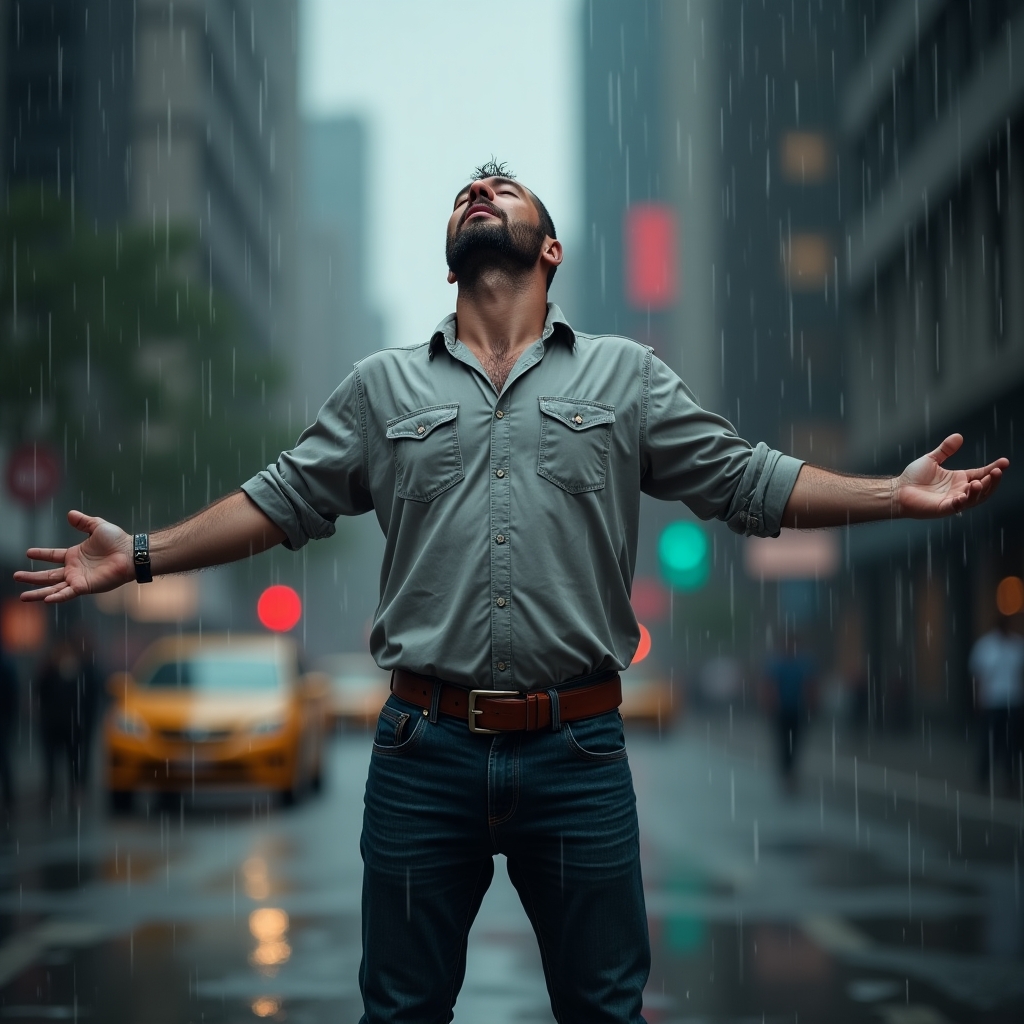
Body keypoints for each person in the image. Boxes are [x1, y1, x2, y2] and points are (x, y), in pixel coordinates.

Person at [14, 160, 1009, 1023]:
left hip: (575, 751)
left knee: (603, 1009)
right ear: (451, 256)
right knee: (399, 1010)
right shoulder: (380, 388)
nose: (480, 194)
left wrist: (891, 493)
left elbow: (746, 478)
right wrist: (139, 554)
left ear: (552, 250)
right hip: (421, 751)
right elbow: (277, 501)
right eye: (464, 195)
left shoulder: (625, 376)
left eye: (502, 190)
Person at [36, 633, 101, 803]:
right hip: (58, 725)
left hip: (69, 725)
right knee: (56, 761)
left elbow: (88, 696)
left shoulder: (80, 670)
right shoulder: (53, 671)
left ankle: (71, 790)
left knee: (71, 760)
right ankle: (57, 791)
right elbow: (41, 692)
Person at [969, 614, 1024, 792]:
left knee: (1012, 745)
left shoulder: (1017, 644)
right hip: (992, 701)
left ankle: (1010, 780)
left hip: (1013, 701)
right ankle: (982, 778)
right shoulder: (986, 646)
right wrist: (979, 698)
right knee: (989, 743)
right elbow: (978, 675)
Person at [762, 631, 816, 792]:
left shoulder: (804, 663)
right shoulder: (776, 664)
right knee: (783, 743)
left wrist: (812, 705)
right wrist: (770, 705)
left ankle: (791, 772)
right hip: (781, 711)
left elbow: (811, 685)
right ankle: (786, 774)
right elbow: (768, 686)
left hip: (798, 710)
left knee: (796, 742)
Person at [0, 634, 17, 814]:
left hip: (3, 719)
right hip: (4, 719)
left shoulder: (6, 664)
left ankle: (9, 795)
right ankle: (9, 795)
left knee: (4, 760)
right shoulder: (7, 663)